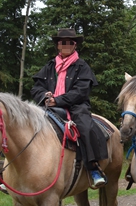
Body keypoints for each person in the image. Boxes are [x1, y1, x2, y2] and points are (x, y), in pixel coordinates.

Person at [32, 28, 107, 188]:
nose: (66, 45)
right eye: (62, 42)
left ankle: (93, 169)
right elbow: (36, 88)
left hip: (76, 106)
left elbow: (81, 91)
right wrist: (45, 96)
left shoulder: (82, 66)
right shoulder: (49, 66)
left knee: (85, 128)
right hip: (48, 105)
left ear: (75, 45)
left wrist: (57, 100)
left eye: (69, 42)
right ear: (58, 45)